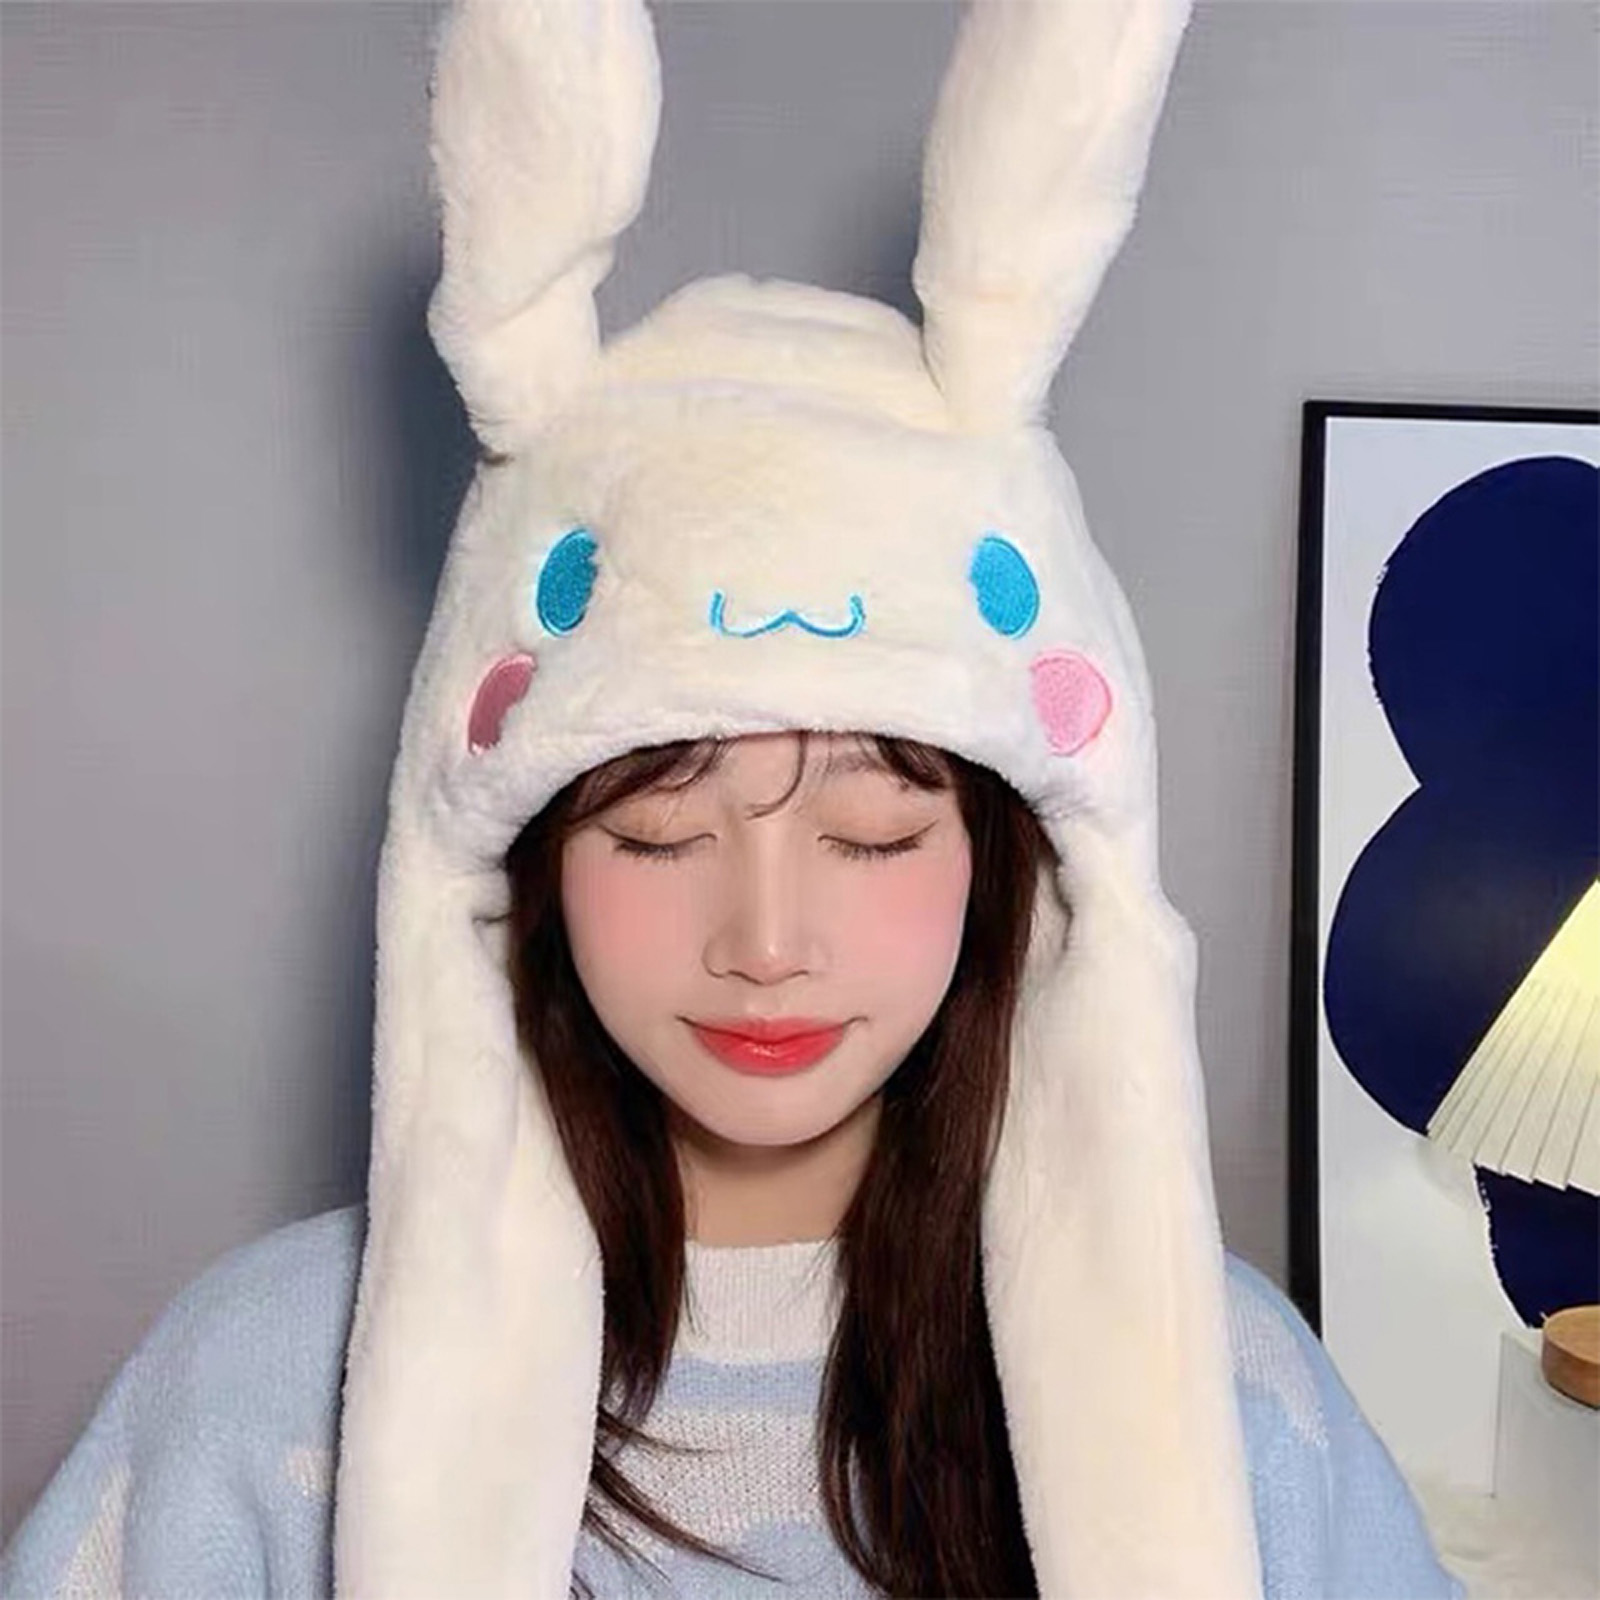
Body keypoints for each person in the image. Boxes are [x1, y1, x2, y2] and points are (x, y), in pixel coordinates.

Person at [4, 1, 1465, 1596]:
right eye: (657, 832)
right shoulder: (265, 1391)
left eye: (871, 834)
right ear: (520, 855)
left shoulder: (1238, 1411)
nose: (766, 942)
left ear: (1007, 856)